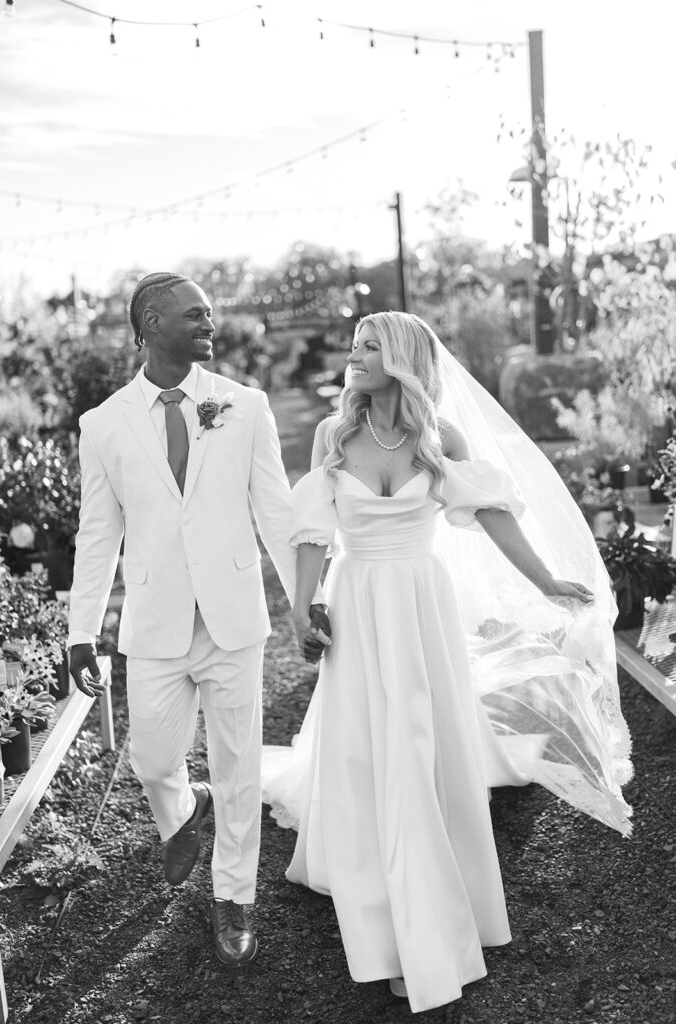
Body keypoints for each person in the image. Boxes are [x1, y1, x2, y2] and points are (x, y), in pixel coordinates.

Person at [262, 311, 633, 1014]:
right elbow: (312, 534)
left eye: (369, 347)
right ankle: (392, 904)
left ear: (401, 358)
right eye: (353, 346)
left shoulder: (440, 437)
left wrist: (545, 581)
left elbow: (493, 516)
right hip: (359, 604)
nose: (353, 357)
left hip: (419, 606)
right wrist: (301, 609)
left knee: (416, 747)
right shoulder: (331, 435)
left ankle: (423, 925)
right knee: (376, 749)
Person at [68, 272, 329, 968]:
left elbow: (277, 512)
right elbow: (98, 535)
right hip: (154, 621)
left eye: (209, 314)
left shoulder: (244, 406)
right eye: (195, 314)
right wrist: (79, 629)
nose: (209, 323)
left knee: (239, 763)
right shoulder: (104, 424)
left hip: (232, 619)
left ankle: (233, 896)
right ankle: (185, 809)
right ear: (151, 324)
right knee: (153, 758)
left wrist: (305, 604)